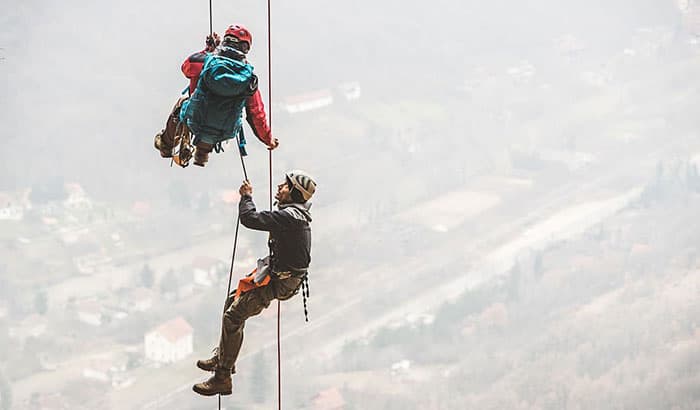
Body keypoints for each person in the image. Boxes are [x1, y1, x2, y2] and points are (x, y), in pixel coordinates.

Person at [192, 170, 317, 396]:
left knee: (234, 315)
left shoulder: (289, 217)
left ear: (295, 194)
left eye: (286, 186)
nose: (280, 187)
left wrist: (246, 197)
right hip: (281, 275)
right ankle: (223, 356)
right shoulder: (294, 215)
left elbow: (250, 219)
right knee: (234, 298)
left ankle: (222, 376)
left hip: (281, 280)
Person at [154, 24, 278, 167]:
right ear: (245, 48)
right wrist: (268, 139)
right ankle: (203, 153)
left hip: (195, 120)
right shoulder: (249, 78)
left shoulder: (206, 61)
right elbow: (256, 114)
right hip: (226, 130)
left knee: (182, 103)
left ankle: (166, 145)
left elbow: (186, 68)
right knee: (217, 117)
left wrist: (208, 51)